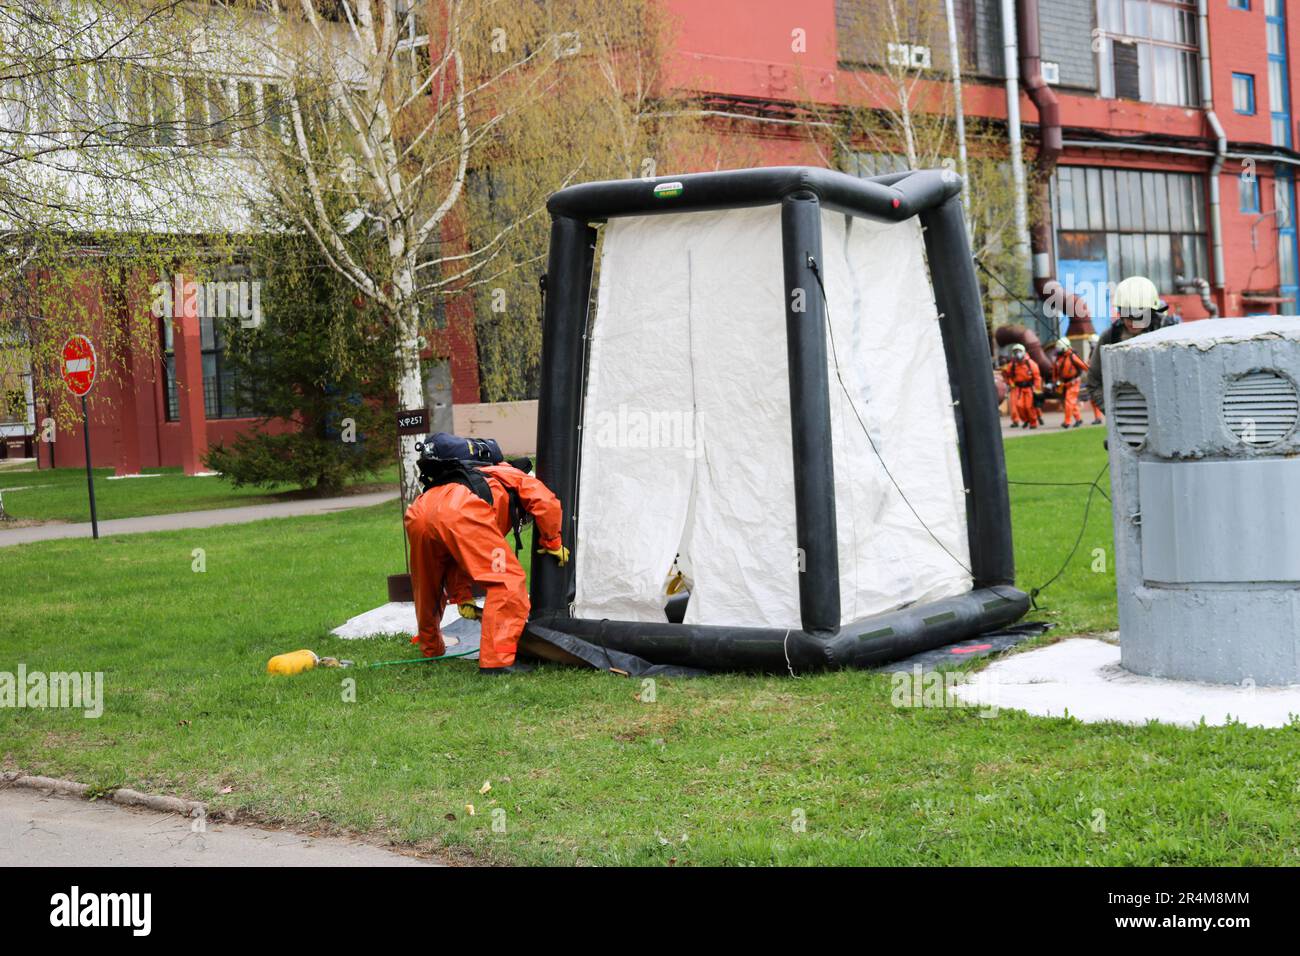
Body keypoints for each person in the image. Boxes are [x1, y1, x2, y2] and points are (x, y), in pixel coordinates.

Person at [404, 439, 567, 675]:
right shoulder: (509, 472)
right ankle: (497, 662)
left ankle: (431, 649)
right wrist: (552, 542)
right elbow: (546, 501)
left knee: (427, 585)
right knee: (507, 582)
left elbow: (454, 556)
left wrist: (463, 596)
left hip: (420, 510)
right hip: (461, 510)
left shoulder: (466, 474)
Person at [1085, 275, 1168, 414]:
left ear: (1152, 312)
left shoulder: (1170, 331)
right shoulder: (1110, 337)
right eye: (1126, 314)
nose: (1131, 321)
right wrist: (1115, 413)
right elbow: (1094, 383)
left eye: (1138, 315)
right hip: (1126, 415)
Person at [1052, 337, 1090, 429]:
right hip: (1063, 383)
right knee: (1071, 403)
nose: (1057, 349)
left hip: (1074, 382)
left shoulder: (1073, 356)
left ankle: (1067, 422)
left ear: (1064, 347)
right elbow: (1055, 372)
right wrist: (1055, 382)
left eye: (1059, 347)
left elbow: (1085, 366)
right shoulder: (1058, 358)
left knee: (1069, 401)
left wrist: (1093, 375)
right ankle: (1078, 419)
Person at [1003, 343, 1042, 429]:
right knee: (1018, 406)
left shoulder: (1031, 364)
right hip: (1018, 388)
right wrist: (1010, 382)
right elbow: (1006, 374)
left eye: (1019, 351)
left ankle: (1033, 422)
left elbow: (1037, 377)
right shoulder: (1012, 365)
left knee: (1029, 406)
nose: (1018, 353)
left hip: (1029, 388)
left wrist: (1037, 389)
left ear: (1023, 352)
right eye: (1015, 352)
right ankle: (1026, 420)